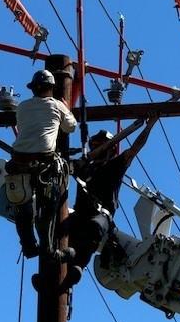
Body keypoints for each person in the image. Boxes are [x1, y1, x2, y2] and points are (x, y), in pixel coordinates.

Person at [66, 114, 159, 283]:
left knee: (94, 227)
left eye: (101, 146)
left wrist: (149, 126)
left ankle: (78, 265)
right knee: (60, 227)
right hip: (79, 215)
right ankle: (51, 274)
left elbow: (135, 149)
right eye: (95, 146)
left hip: (100, 216)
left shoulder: (115, 166)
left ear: (111, 150)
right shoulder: (83, 168)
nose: (98, 149)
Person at [6, 69, 77, 258]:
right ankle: (48, 250)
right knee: (47, 209)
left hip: (19, 160)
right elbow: (71, 127)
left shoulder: (22, 107)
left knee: (23, 207)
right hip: (43, 162)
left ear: (33, 89)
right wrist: (65, 108)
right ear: (51, 88)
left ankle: (29, 247)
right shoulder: (56, 105)